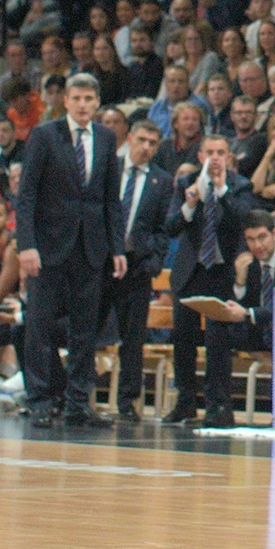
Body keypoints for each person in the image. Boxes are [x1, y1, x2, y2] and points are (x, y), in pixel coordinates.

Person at [15, 73, 126, 429]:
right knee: (40, 324)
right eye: (76, 98)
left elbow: (111, 199)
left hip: (90, 246)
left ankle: (79, 402)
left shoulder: (107, 139)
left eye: (88, 99)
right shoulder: (45, 136)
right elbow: (27, 195)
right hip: (48, 246)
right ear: (65, 101)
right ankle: (40, 399)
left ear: (97, 103)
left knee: (85, 329)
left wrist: (117, 246)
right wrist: (27, 245)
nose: (82, 105)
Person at [163, 134, 258, 423]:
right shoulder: (185, 183)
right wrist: (190, 204)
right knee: (183, 338)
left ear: (228, 157)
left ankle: (219, 404)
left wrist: (222, 191)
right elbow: (171, 226)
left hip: (221, 271)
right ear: (200, 156)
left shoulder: (241, 186)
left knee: (218, 339)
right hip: (191, 271)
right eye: (210, 152)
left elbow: (243, 221)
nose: (215, 157)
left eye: (221, 152)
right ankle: (186, 400)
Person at [202, 209, 275, 427]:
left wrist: (247, 313)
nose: (257, 246)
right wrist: (240, 283)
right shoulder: (246, 261)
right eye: (251, 240)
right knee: (216, 326)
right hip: (257, 330)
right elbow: (237, 304)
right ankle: (220, 409)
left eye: (262, 237)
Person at [100, 120, 170, 423]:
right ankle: (78, 395)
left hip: (137, 266)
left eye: (153, 143)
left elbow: (163, 228)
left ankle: (128, 402)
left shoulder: (162, 181)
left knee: (133, 338)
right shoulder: (108, 168)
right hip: (101, 263)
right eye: (141, 140)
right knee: (88, 328)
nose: (146, 147)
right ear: (128, 138)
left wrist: (153, 260)